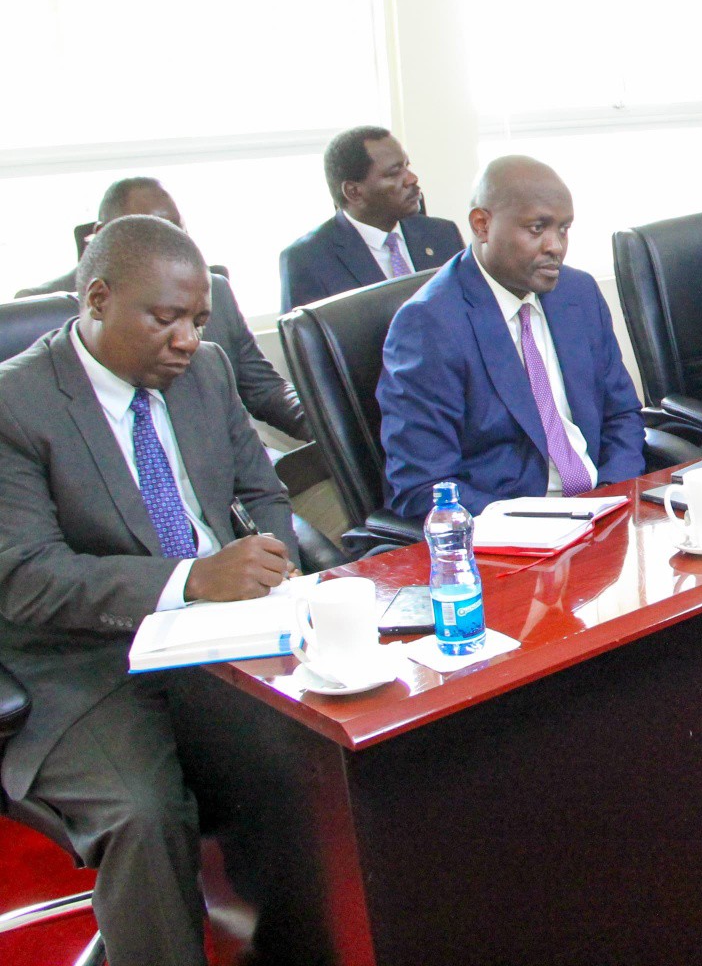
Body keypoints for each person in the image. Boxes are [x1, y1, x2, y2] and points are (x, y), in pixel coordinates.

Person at [0, 215, 299, 966]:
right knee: (146, 811)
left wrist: (277, 570)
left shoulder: (208, 372)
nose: (188, 340)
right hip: (87, 663)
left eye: (198, 319)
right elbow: (26, 577)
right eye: (166, 318)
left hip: (227, 639)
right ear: (98, 299)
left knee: (331, 763)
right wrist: (190, 579)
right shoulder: (15, 405)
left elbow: (262, 493)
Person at [378, 156, 645, 520]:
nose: (555, 246)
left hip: (604, 510)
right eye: (537, 228)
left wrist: (612, 496)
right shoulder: (429, 325)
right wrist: (543, 524)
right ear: (482, 225)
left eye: (564, 229)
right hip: (512, 530)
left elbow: (622, 415)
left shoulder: (578, 293)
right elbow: (423, 485)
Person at [17, 177, 308, 440]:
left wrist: (330, 421)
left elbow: (265, 389)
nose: (188, 340)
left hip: (225, 459)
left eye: (176, 232)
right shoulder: (40, 310)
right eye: (165, 318)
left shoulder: (215, 291)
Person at [278, 125, 464, 312]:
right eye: (394, 173)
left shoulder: (442, 234)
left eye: (406, 166)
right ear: (354, 192)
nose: (412, 179)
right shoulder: (308, 260)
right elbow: (305, 331)